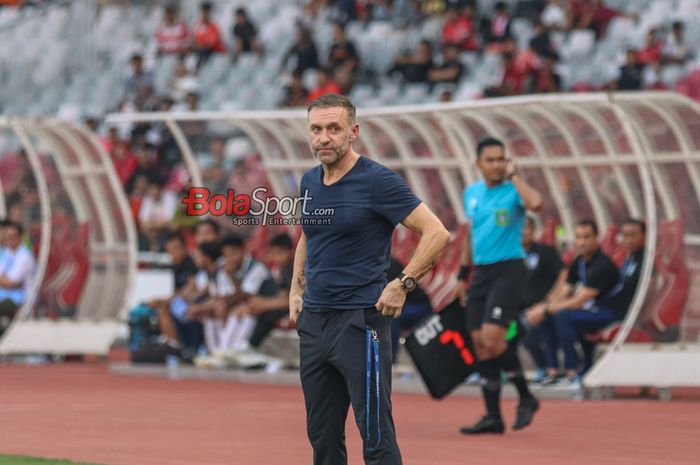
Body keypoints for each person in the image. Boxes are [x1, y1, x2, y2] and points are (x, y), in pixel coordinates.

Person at [290, 94, 450, 464]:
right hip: (314, 323)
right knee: (323, 440)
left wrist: (403, 283)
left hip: (360, 323)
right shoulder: (310, 180)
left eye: (334, 128)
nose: (324, 138)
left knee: (375, 438)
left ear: (353, 132)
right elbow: (307, 235)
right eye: (316, 129)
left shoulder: (378, 181)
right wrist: (295, 289)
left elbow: (437, 232)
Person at [454, 137, 542, 434]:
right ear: (479, 163)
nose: (497, 165)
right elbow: (470, 234)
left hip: (509, 270)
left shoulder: (513, 190)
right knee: (480, 344)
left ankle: (526, 396)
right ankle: (493, 416)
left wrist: (516, 175)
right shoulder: (472, 193)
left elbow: (536, 204)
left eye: (501, 159)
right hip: (481, 273)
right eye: (490, 160)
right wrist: (462, 275)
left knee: (492, 339)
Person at [526, 219, 620, 385]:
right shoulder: (579, 262)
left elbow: (578, 301)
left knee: (562, 316)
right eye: (579, 237)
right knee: (546, 318)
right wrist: (543, 308)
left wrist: (546, 310)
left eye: (587, 237)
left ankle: (572, 371)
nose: (582, 242)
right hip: (590, 311)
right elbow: (565, 290)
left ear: (596, 238)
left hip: (608, 312)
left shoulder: (602, 265)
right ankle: (552, 370)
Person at [520, 216, 567, 382]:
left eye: (526, 227)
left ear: (533, 231)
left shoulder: (545, 252)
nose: (522, 231)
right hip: (519, 310)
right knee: (511, 332)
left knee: (534, 327)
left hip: (542, 308)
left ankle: (549, 368)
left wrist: (549, 300)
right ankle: (505, 370)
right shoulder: (512, 254)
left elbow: (563, 273)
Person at [386, 255, 433, 364]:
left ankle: (390, 361)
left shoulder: (390, 265)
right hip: (406, 305)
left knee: (390, 316)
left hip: (419, 307)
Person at [0, 222, 36, 334]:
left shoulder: (25, 256)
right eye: (7, 236)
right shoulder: (7, 252)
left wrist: (7, 281)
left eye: (12, 237)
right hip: (5, 295)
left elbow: (11, 283)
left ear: (19, 237)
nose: (9, 239)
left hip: (19, 299)